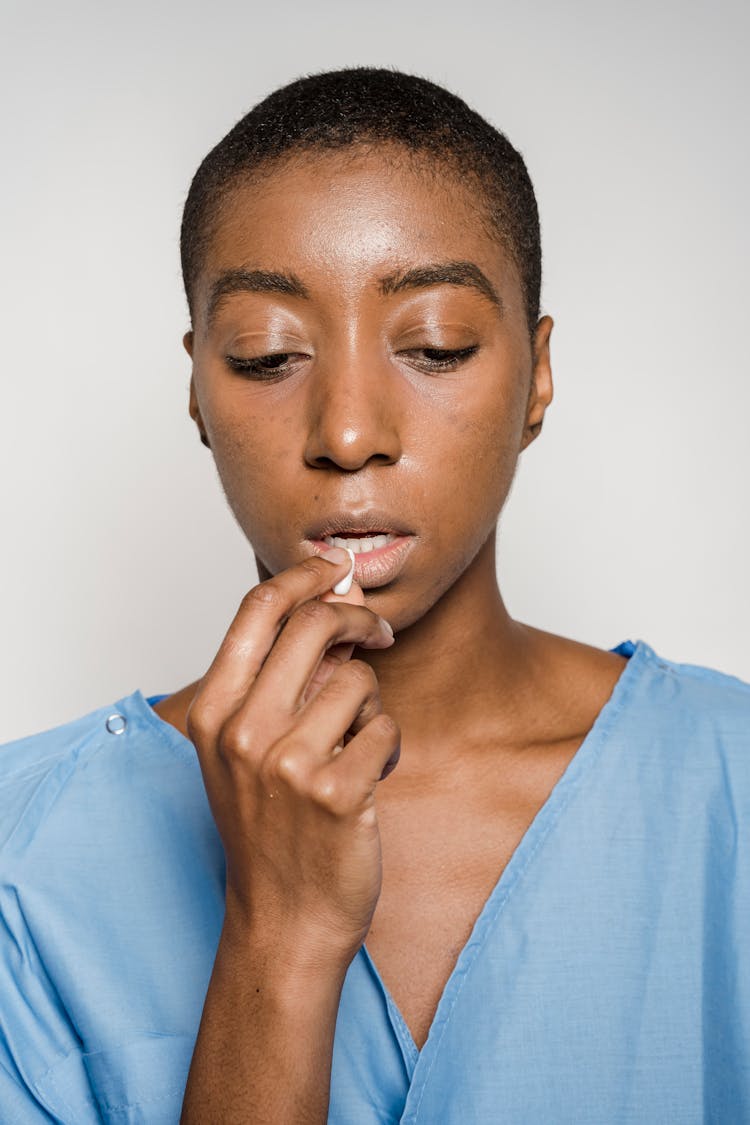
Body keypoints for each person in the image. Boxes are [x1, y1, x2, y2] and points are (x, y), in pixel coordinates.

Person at [0, 65, 748, 1125]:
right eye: (268, 357)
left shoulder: (732, 789)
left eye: (435, 346)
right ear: (197, 389)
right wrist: (280, 941)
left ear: (536, 376)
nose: (348, 432)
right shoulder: (22, 863)